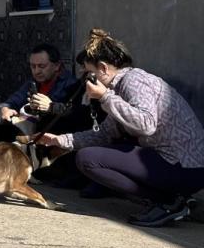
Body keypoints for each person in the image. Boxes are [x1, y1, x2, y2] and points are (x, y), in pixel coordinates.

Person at [38, 29, 204, 227]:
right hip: (172, 163)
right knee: (87, 157)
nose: (85, 80)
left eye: (89, 73)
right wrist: (60, 140)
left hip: (186, 166)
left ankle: (169, 201)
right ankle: (169, 200)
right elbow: (106, 134)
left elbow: (146, 124)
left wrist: (105, 98)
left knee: (89, 159)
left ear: (103, 68)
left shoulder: (134, 81)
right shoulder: (118, 87)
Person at [0, 43, 79, 126]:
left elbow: (77, 115)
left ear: (57, 66)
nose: (37, 71)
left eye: (42, 66)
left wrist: (51, 107)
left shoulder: (71, 84)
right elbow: (13, 100)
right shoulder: (33, 82)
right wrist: (4, 109)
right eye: (33, 66)